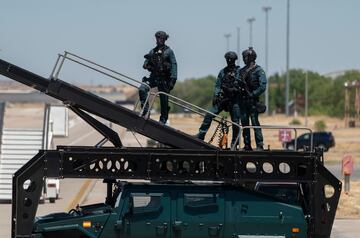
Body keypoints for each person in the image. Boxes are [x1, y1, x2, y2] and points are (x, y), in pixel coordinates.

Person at [196, 51, 241, 147]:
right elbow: (217, 85)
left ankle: (235, 143)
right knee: (209, 115)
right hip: (223, 99)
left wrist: (232, 90)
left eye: (231, 60)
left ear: (234, 60)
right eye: (228, 60)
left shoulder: (239, 72)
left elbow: (240, 86)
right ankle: (201, 135)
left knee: (236, 122)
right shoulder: (223, 72)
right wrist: (216, 95)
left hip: (234, 100)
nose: (229, 62)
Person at [139, 31, 177, 124]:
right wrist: (148, 66)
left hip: (164, 80)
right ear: (156, 39)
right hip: (153, 78)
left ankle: (163, 120)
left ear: (165, 39)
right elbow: (145, 64)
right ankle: (145, 112)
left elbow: (174, 65)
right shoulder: (152, 51)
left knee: (164, 100)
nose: (160, 40)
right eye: (159, 38)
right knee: (142, 89)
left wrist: (173, 79)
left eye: (162, 38)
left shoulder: (169, 52)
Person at [239, 47, 267, 151]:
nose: (243, 59)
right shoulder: (241, 71)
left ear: (251, 57)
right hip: (243, 101)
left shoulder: (259, 70)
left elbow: (263, 86)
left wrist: (253, 94)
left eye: (245, 57)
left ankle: (259, 145)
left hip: (253, 102)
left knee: (255, 123)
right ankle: (247, 145)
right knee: (244, 124)